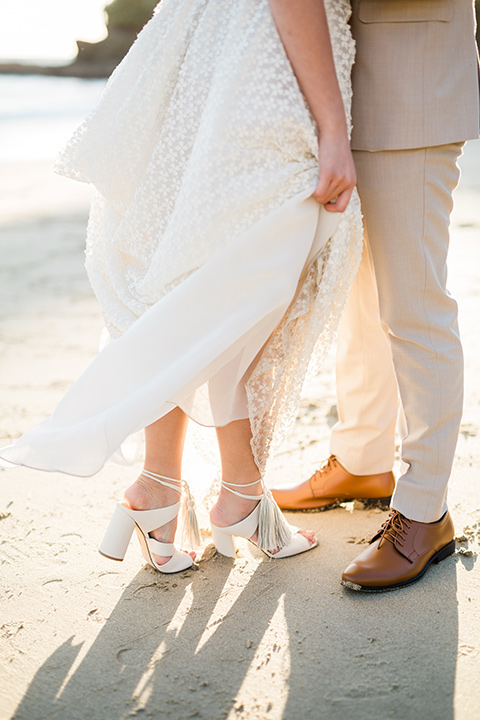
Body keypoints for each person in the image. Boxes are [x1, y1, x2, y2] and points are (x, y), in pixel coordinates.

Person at [0, 0, 362, 573]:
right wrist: (333, 127)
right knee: (239, 291)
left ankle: (164, 486)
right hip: (263, 71)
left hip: (202, 53)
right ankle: (232, 494)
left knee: (190, 276)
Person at [272, 0, 480, 591]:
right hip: (339, 97)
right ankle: (363, 462)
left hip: (415, 91)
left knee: (414, 307)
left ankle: (424, 510)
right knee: (361, 300)